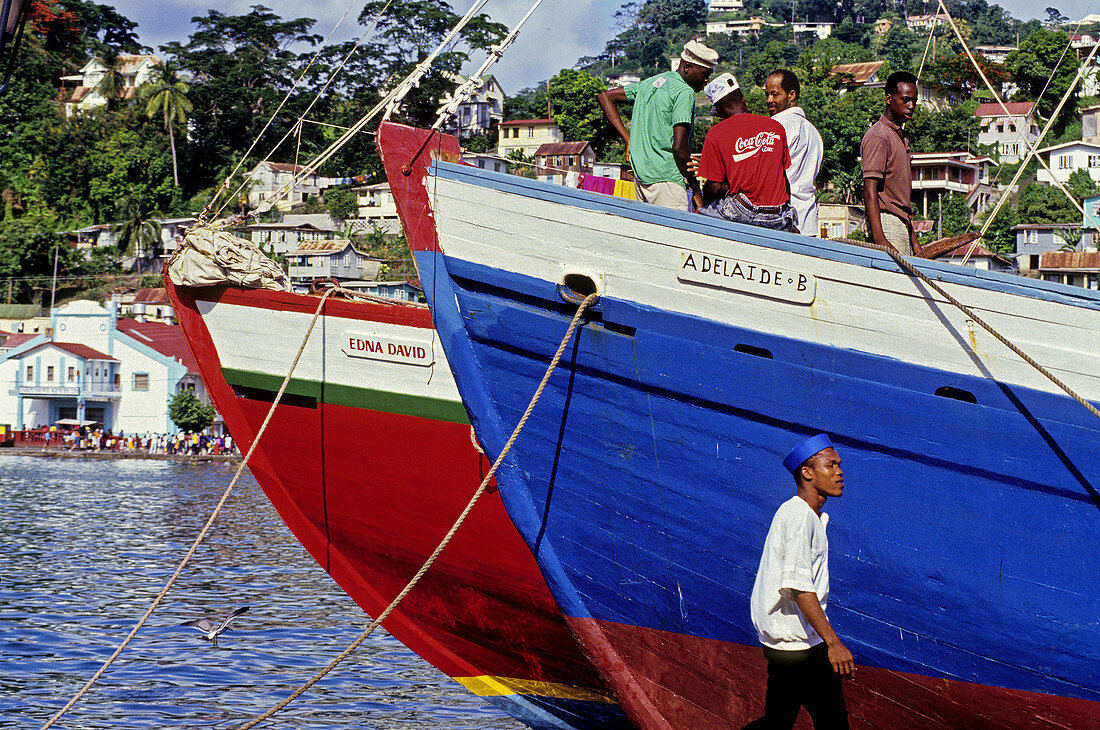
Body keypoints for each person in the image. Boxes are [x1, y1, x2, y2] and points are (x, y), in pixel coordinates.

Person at [749, 433, 853, 729]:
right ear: (807, 473)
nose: (839, 472)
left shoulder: (809, 516)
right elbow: (798, 587)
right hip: (797, 651)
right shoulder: (798, 516)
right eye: (830, 465)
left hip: (800, 647)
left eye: (839, 465)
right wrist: (834, 644)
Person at [598, 39, 717, 211]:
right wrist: (696, 190)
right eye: (705, 73)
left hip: (641, 179)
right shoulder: (684, 92)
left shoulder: (650, 83)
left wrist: (628, 139)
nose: (706, 80)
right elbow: (679, 148)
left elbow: (605, 97)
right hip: (667, 181)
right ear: (687, 68)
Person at [696, 72, 797, 232]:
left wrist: (703, 201)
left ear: (719, 111)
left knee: (700, 216)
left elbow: (714, 188)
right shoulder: (775, 127)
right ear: (743, 99)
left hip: (744, 210)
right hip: (778, 213)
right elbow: (785, 182)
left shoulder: (716, 133)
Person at [861, 71, 919, 255]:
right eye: (906, 100)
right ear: (889, 98)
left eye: (914, 101)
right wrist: (880, 239)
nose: (911, 106)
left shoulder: (898, 137)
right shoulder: (879, 136)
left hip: (901, 224)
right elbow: (870, 189)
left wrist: (913, 238)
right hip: (886, 225)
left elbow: (899, 200)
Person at [765, 69, 823, 237]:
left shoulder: (775, 127)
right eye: (767, 95)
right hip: (808, 222)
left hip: (782, 220)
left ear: (791, 95)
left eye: (775, 94)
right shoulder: (813, 132)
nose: (769, 100)